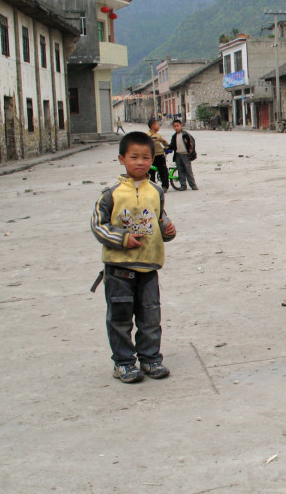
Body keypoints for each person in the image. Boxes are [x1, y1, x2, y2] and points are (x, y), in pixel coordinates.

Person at [90, 131, 177, 383]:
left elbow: (159, 219)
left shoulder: (156, 191)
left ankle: (150, 359)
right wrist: (122, 238)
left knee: (150, 317)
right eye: (134, 157)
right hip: (119, 269)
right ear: (122, 159)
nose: (140, 162)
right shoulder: (111, 194)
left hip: (148, 267)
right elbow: (98, 225)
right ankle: (124, 363)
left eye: (146, 157)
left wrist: (168, 231)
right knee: (120, 319)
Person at [169, 119, 198, 191]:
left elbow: (191, 144)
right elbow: (172, 145)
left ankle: (193, 185)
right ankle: (183, 185)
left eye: (177, 126)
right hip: (178, 155)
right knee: (180, 171)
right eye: (174, 126)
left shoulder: (186, 135)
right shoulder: (174, 136)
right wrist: (167, 147)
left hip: (185, 155)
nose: (176, 127)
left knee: (188, 171)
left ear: (181, 126)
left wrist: (190, 154)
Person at [146, 118, 170, 192]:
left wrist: (167, 146)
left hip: (160, 155)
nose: (159, 126)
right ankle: (152, 186)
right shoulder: (147, 135)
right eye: (158, 125)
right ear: (153, 126)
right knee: (151, 172)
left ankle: (165, 186)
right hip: (151, 156)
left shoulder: (158, 135)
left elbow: (165, 142)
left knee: (163, 171)